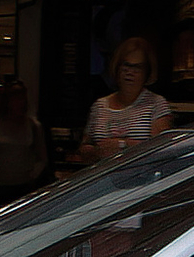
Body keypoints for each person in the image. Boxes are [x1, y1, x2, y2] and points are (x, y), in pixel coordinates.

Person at [73, 36, 171, 164]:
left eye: (137, 67)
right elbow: (84, 147)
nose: (130, 72)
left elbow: (162, 149)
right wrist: (95, 151)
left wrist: (122, 145)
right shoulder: (99, 106)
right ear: (117, 68)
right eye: (126, 66)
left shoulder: (156, 104)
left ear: (147, 72)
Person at [0, 78, 49, 208]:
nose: (20, 103)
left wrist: (32, 175)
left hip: (23, 186)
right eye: (16, 99)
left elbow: (42, 157)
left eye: (22, 98)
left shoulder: (33, 126)